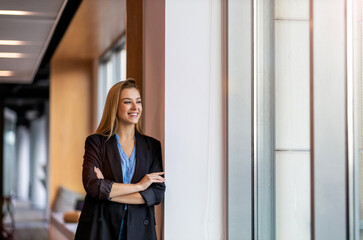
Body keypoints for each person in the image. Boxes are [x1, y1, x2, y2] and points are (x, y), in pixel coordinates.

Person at [75, 79, 166, 240]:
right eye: (127, 102)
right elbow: (92, 185)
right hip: (100, 229)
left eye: (138, 101)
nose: (135, 107)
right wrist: (139, 186)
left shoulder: (152, 146)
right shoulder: (96, 142)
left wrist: (108, 191)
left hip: (139, 230)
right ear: (114, 106)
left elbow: (156, 194)